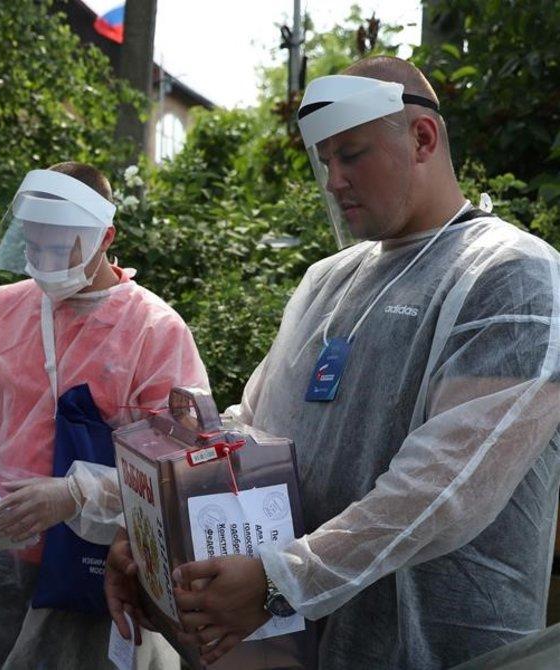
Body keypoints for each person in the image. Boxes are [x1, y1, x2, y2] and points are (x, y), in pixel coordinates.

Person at [105, 56, 560, 670]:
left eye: (352, 154)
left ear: (422, 138)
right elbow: (248, 432)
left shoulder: (513, 277)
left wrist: (279, 583)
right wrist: (153, 527)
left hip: (448, 646)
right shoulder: (329, 282)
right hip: (309, 645)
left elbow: (444, 489)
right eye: (325, 161)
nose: (333, 180)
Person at [0, 162, 209, 669]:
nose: (43, 261)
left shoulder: (153, 331)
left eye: (60, 246)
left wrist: (78, 494)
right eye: (33, 244)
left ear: (105, 237)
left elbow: (181, 466)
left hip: (94, 572)